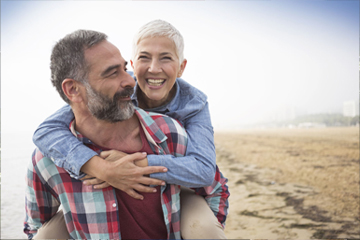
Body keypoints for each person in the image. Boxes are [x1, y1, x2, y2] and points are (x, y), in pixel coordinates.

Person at [32, 20, 229, 238]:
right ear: (134, 65)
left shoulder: (193, 105)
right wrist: (101, 168)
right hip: (98, 190)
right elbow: (47, 130)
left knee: (205, 229)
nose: (154, 68)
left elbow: (204, 172)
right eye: (145, 58)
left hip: (178, 181)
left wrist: (138, 164)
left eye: (166, 58)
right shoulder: (118, 91)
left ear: (181, 67)